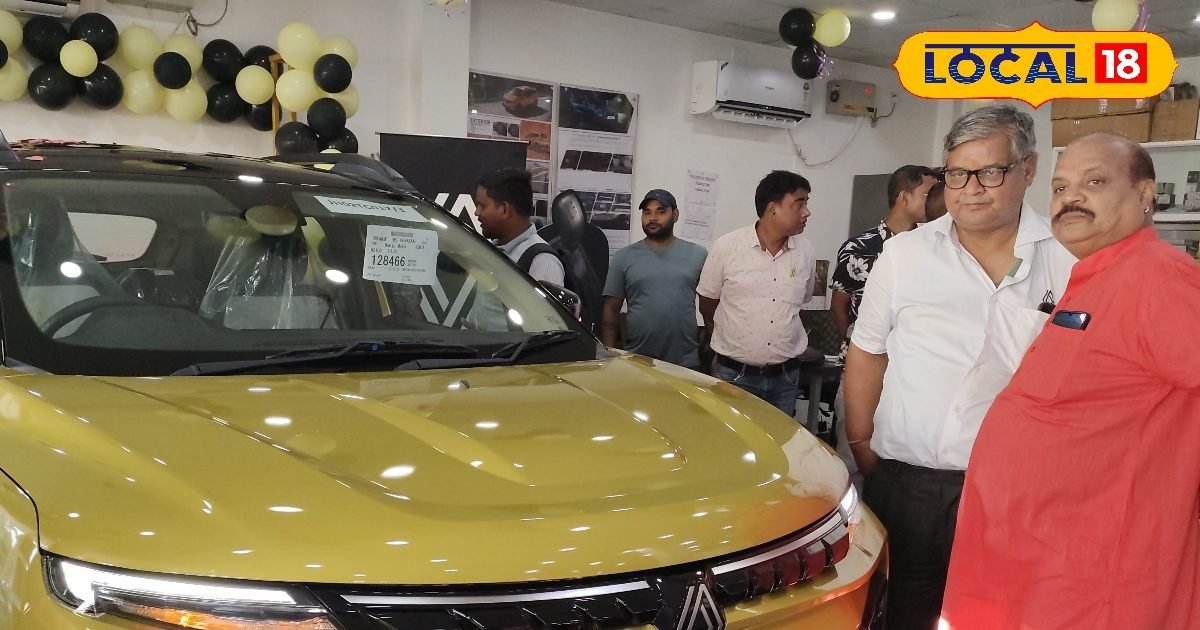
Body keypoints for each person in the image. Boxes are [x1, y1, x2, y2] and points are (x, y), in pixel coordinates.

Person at [942, 133, 1200, 630]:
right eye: (1060, 188)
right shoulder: (1096, 277)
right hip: (1026, 573)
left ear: (1145, 194)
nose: (1071, 197)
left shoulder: (1160, 280)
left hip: (1092, 587)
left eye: (1094, 182)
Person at [843, 105, 1076, 629]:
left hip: (1015, 492)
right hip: (909, 483)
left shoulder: (1066, 262)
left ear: (1028, 170)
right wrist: (861, 444)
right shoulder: (905, 256)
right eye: (956, 174)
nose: (971, 189)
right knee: (899, 612)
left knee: (999, 614)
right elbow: (867, 352)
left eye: (990, 172)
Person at [831, 164, 937, 488]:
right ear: (904, 197)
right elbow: (839, 308)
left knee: (900, 467)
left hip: (911, 378)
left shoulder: (933, 249)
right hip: (864, 372)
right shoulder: (860, 248)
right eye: (928, 193)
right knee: (851, 463)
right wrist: (859, 352)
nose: (937, 200)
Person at [697, 170, 816, 416]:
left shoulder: (805, 252)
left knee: (780, 439)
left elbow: (799, 304)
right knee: (731, 438)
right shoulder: (727, 247)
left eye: (806, 203)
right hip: (734, 376)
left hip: (785, 378)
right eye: (799, 204)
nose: (807, 212)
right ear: (773, 209)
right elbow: (708, 303)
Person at [601, 190, 708, 369]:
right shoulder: (623, 257)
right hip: (637, 361)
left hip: (685, 362)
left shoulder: (698, 255)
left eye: (661, 211)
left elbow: (709, 305)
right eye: (647, 212)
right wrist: (608, 356)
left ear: (675, 215)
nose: (652, 218)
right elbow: (610, 309)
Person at [473, 168, 564, 285]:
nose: (477, 212)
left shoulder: (543, 263)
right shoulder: (491, 250)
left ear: (504, 209)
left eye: (483, 206)